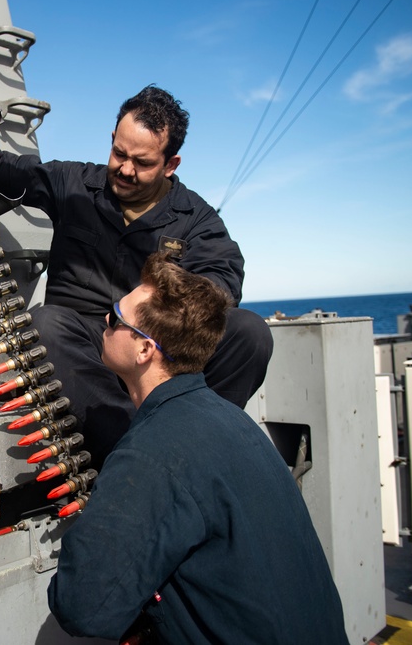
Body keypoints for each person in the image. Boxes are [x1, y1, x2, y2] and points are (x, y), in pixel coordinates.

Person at [46, 253, 347, 644]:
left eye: (116, 317)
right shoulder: (234, 421)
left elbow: (81, 605)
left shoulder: (153, 451)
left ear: (144, 350)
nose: (105, 321)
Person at [0, 85, 273, 463]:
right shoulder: (74, 184)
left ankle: (204, 445)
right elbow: (8, 171)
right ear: (113, 140)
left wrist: (158, 304)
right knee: (44, 325)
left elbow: (223, 281)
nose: (126, 170)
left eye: (143, 162)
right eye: (119, 153)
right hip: (86, 352)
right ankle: (143, 453)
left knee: (249, 333)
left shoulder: (197, 219)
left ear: (171, 164)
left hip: (159, 351)